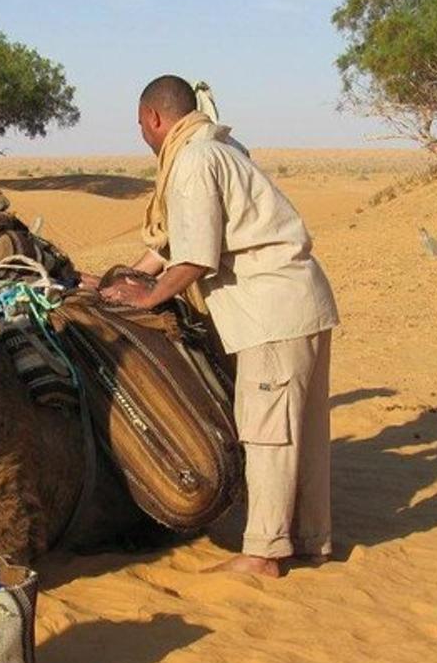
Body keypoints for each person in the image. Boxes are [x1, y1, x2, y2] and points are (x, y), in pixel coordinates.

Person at [101, 75, 340, 578]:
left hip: (270, 314)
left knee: (267, 432)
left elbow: (193, 259)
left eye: (141, 126)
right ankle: (311, 539)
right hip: (302, 303)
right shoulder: (220, 148)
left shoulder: (192, 161)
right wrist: (126, 276)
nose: (143, 136)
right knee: (304, 432)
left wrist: (148, 295)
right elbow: (175, 241)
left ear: (154, 119)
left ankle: (265, 553)